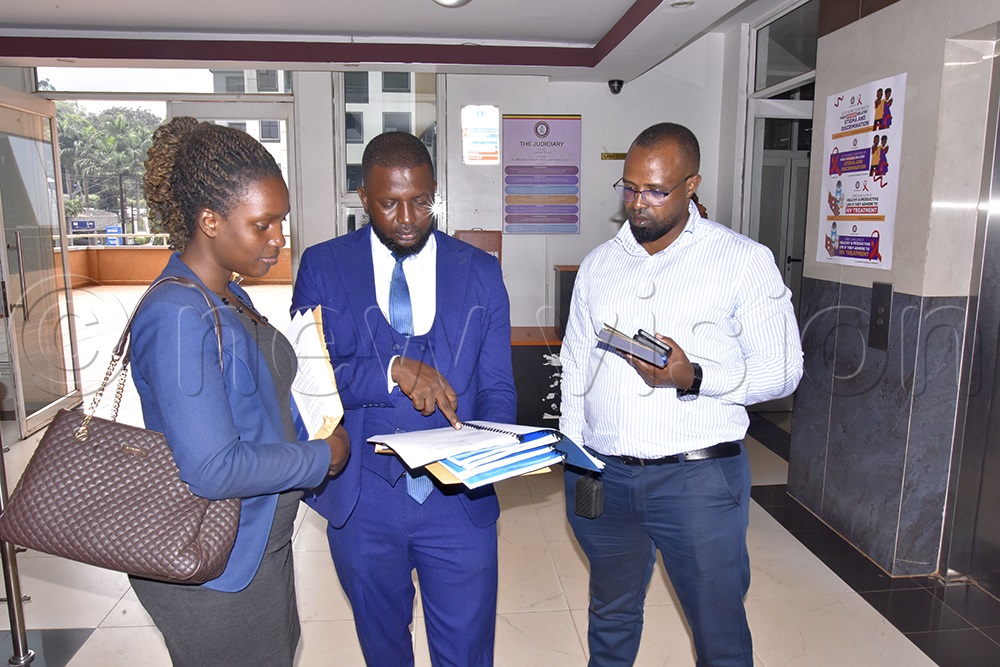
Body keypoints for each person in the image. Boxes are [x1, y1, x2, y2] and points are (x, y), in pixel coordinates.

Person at [559, 122, 803, 666]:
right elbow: (576, 366)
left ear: (691, 184)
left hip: (697, 482)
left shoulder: (742, 260)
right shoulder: (600, 265)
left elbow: (784, 370)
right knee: (611, 615)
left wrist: (693, 376)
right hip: (607, 477)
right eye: (628, 187)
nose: (637, 202)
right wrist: (575, 456)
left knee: (718, 629)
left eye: (654, 190)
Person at [130, 117, 350, 666]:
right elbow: (211, 467)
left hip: (252, 547)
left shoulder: (223, 295)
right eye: (263, 224)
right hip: (215, 569)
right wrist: (325, 456)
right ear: (209, 221)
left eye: (282, 222)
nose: (279, 239)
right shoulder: (178, 314)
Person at [291, 131, 516, 666]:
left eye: (420, 200)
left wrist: (492, 453)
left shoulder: (480, 271)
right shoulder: (323, 266)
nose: (408, 217)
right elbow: (309, 382)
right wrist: (390, 369)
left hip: (459, 503)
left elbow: (498, 386)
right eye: (389, 203)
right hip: (364, 499)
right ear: (363, 197)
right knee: (384, 649)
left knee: (466, 652)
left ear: (434, 191)